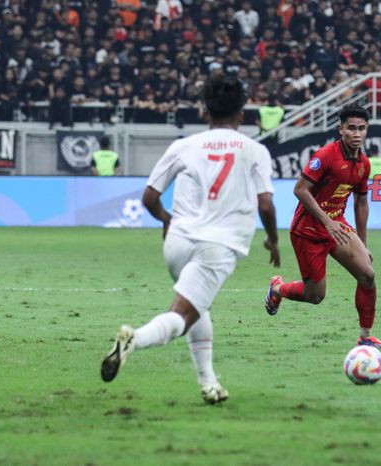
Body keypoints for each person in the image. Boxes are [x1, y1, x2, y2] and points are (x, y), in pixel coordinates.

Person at [100, 75, 281, 404]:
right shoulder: (255, 151)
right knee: (183, 315)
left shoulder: (183, 145)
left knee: (200, 306)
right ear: (241, 116)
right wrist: (273, 240)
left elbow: (150, 197)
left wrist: (167, 219)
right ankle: (134, 340)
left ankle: (209, 382)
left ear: (205, 114)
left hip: (177, 243)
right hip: (218, 246)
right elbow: (266, 203)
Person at [264, 105, 381, 348]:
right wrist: (327, 221)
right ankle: (277, 289)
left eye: (362, 129)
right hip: (308, 231)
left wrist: (362, 242)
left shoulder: (364, 163)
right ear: (341, 129)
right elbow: (300, 189)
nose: (357, 134)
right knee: (315, 296)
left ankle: (365, 337)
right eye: (351, 128)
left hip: (337, 227)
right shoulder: (325, 156)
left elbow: (361, 202)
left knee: (367, 274)